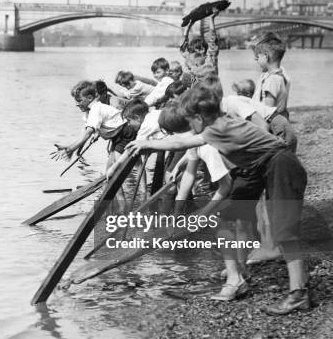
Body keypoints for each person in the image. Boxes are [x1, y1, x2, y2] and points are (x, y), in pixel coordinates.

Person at [126, 86, 310, 315]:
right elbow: (186, 140)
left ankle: (298, 294)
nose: (190, 128)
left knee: (284, 233)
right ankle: (237, 277)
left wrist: (146, 144)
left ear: (198, 118)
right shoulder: (221, 121)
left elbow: (180, 143)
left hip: (280, 165)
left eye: (189, 121)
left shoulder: (216, 129)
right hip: (258, 166)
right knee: (226, 217)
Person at [158, 101, 262, 300]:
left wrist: (205, 213)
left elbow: (225, 185)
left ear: (181, 130)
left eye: (171, 134)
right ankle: (240, 270)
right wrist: (178, 212)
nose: (170, 139)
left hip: (249, 174)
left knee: (220, 221)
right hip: (241, 172)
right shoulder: (194, 140)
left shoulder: (207, 147)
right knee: (239, 223)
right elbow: (189, 174)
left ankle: (235, 279)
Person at [53, 81, 136, 168]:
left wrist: (70, 149)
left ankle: (134, 180)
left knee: (117, 166)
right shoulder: (88, 113)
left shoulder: (96, 109)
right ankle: (137, 181)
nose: (77, 104)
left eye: (79, 100)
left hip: (126, 132)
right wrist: (72, 148)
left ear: (89, 98)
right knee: (111, 167)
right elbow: (84, 135)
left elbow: (88, 133)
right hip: (117, 136)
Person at [251, 33, 290, 119]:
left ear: (266, 56)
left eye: (258, 56)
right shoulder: (279, 75)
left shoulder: (272, 80)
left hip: (270, 124)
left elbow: (268, 110)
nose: (255, 59)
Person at [180, 8, 221, 85]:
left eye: (193, 51)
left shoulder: (210, 59)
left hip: (209, 93)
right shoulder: (191, 61)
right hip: (198, 92)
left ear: (201, 50)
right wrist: (188, 26)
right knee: (185, 77)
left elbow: (212, 39)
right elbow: (184, 46)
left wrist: (212, 19)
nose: (190, 54)